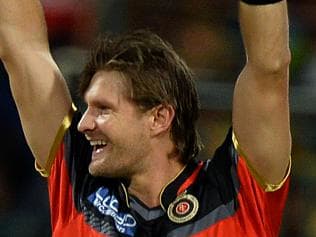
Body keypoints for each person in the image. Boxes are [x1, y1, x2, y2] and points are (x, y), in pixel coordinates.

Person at [0, 0, 291, 236]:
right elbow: (21, 48)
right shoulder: (76, 179)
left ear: (159, 117)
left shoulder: (237, 194)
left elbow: (270, 66)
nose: (83, 123)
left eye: (103, 109)